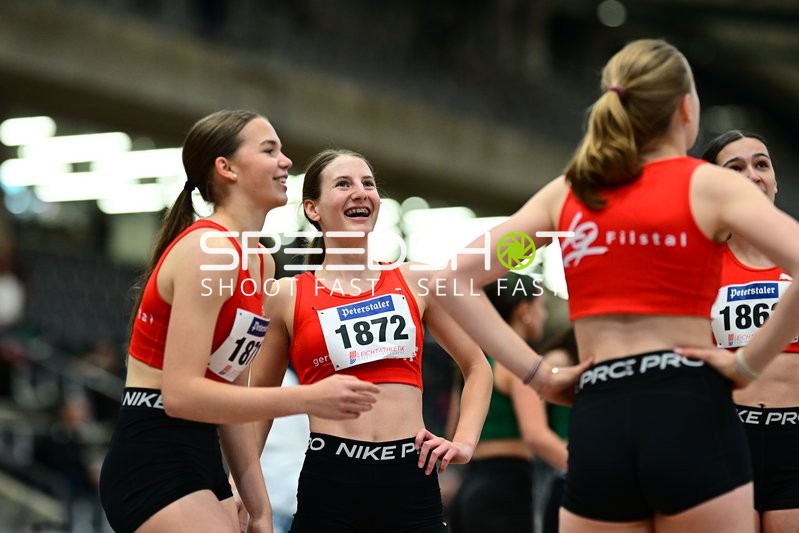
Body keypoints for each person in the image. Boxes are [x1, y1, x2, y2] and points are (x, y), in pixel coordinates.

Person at [431, 38, 799, 533]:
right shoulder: (708, 187)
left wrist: (538, 375)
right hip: (687, 408)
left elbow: (456, 281)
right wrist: (747, 364)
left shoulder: (568, 197)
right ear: (687, 111)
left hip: (601, 411)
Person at [98, 111, 380, 533]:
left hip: (202, 456)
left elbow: (232, 396)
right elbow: (181, 394)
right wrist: (306, 398)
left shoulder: (260, 264)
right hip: (153, 455)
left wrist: (257, 502)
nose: (286, 162)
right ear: (225, 168)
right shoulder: (208, 251)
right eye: (269, 150)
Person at [247, 148, 493, 532]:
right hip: (332, 479)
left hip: (411, 477)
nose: (360, 192)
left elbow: (478, 366)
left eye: (368, 184)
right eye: (343, 184)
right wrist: (247, 493)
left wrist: (464, 442)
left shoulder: (417, 281)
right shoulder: (286, 295)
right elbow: (257, 405)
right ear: (313, 209)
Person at [702, 130, 799, 533]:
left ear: (775, 180)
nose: (754, 174)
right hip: (724, 439)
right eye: (736, 167)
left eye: (761, 164)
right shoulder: (698, 265)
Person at [447, 273, 567, 533]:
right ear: (523, 311)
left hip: (469, 489)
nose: (544, 315)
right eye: (541, 306)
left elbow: (451, 434)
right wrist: (592, 468)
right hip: (505, 490)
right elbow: (536, 435)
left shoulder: (473, 366)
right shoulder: (518, 366)